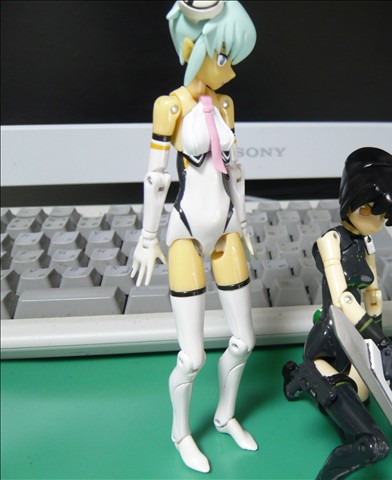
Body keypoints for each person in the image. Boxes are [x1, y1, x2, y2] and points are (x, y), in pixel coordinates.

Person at [130, 1, 257, 473]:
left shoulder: (225, 104)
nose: (230, 69)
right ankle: (181, 432)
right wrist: (148, 237)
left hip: (226, 229)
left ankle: (225, 416)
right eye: (223, 56)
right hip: (185, 231)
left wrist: (244, 223)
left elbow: (234, 172)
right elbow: (156, 177)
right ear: (192, 48)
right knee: (192, 355)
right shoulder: (171, 106)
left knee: (244, 340)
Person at [283, 147, 392, 480]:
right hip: (330, 341)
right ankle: (305, 378)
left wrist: (377, 341)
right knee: (370, 440)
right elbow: (343, 297)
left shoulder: (366, 243)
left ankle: (300, 378)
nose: (383, 224)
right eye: (381, 215)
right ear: (361, 206)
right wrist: (378, 338)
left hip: (355, 342)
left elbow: (372, 292)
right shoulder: (330, 241)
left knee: (362, 396)